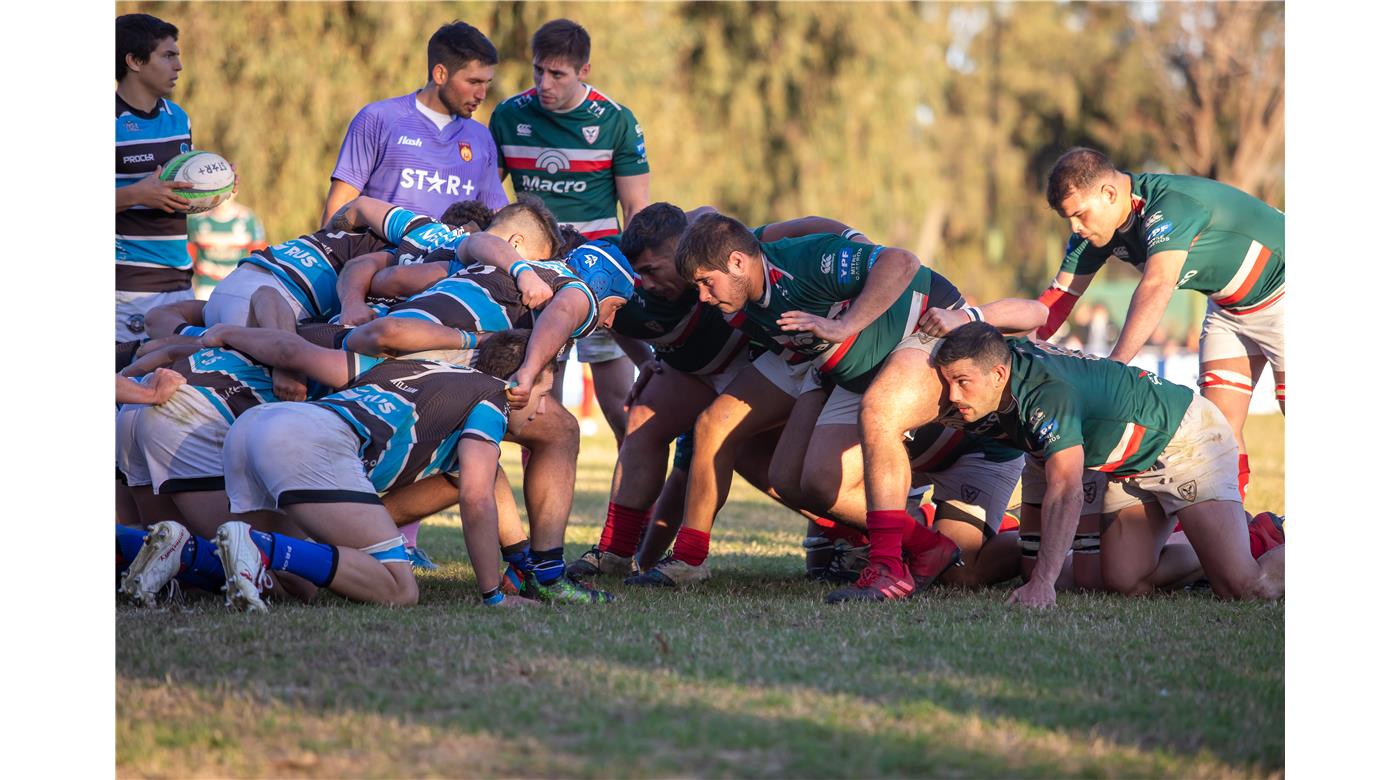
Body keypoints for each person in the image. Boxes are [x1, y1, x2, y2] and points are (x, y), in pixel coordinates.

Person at [638, 213, 1045, 597]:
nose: (704, 298)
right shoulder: (737, 298)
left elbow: (901, 262)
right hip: (853, 370)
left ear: (739, 262)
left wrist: (844, 324)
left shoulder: (802, 260)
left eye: (707, 283)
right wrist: (651, 362)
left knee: (962, 574)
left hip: (926, 350)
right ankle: (690, 558)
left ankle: (913, 559)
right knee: (796, 474)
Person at [932, 322, 1284, 607]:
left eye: (962, 382)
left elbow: (1067, 488)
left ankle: (1258, 537)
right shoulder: (1003, 358)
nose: (953, 396)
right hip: (1121, 463)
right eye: (949, 382)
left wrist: (1043, 585)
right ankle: (1216, 546)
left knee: (1243, 588)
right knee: (1118, 581)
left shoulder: (1045, 395)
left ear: (997, 374)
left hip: (1181, 439)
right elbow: (1030, 314)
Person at [1036, 147, 1285, 497]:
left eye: (1079, 215)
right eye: (1068, 219)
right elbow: (1055, 303)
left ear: (1109, 194)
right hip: (1229, 308)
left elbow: (1157, 286)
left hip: (1285, 292)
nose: (1075, 227)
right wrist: (1008, 350)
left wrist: (1113, 370)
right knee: (1218, 433)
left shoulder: (1167, 204)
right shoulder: (1098, 230)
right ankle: (1237, 535)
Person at [489, 18, 651, 441]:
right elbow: (490, 198)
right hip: (535, 276)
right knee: (539, 401)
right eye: (538, 70)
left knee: (620, 403)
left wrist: (632, 278)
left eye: (557, 74)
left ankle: (633, 503)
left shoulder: (617, 121)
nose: (545, 83)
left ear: (583, 71)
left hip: (599, 274)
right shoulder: (508, 115)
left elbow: (636, 207)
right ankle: (543, 505)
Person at [322, 21, 508, 226]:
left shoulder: (481, 139)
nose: (482, 94)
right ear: (440, 74)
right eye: (474, 82)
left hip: (446, 258)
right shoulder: (378, 119)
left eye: (486, 83)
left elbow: (497, 220)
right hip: (377, 256)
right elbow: (339, 207)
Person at [115, 13, 196, 342]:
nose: (178, 66)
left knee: (175, 384)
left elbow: (179, 190)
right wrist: (136, 194)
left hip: (181, 283)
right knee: (128, 387)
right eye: (168, 55)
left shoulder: (178, 117)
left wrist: (213, 186)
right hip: (128, 289)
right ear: (134, 61)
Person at [187, 195, 267, 299]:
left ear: (235, 190)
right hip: (206, 284)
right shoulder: (197, 219)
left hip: (238, 284)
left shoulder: (248, 218)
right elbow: (188, 255)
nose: (222, 195)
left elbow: (260, 256)